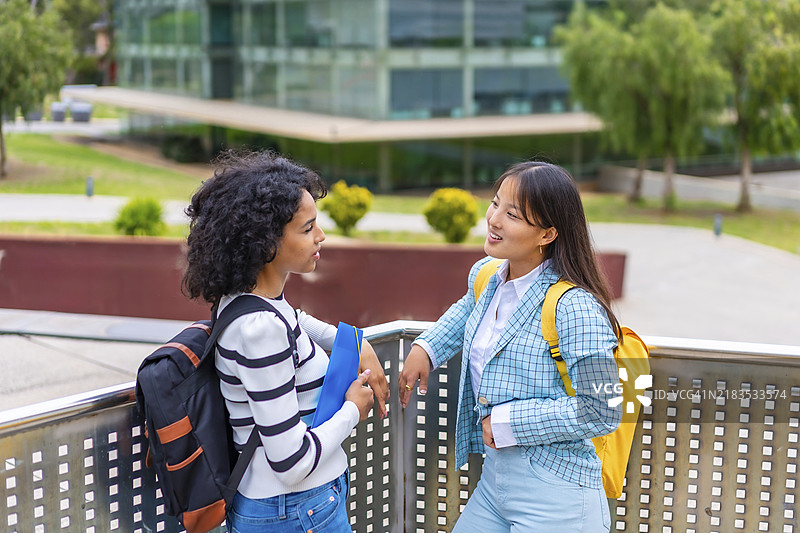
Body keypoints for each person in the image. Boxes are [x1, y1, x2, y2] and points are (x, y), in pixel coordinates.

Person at [398, 161, 621, 532]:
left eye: (512, 214)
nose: (494, 219)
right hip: (494, 484)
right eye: (495, 203)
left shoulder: (575, 307)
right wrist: (427, 348)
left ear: (547, 234)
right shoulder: (488, 275)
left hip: (558, 496)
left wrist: (509, 422)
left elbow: (603, 409)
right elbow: (467, 310)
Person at [181, 150, 389, 533]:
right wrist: (352, 410)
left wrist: (356, 342)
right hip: (294, 509)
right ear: (266, 243)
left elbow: (295, 320)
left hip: (294, 507)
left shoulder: (250, 300)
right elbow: (291, 462)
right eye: (307, 229)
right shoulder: (260, 330)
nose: (320, 236)